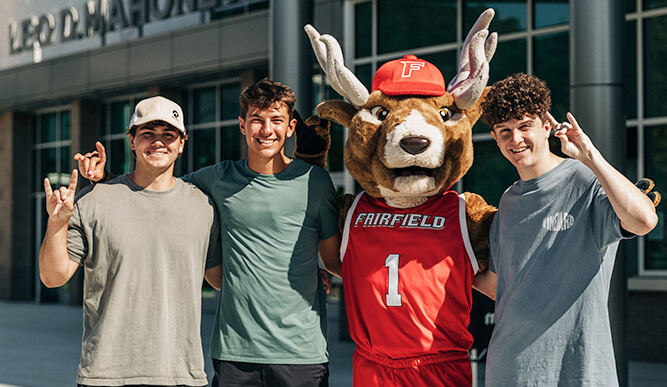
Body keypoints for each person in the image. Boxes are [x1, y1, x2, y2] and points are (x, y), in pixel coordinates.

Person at [80, 79, 342, 387]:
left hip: (303, 352)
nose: (266, 130)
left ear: (291, 126)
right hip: (235, 353)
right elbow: (159, 184)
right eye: (257, 119)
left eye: (276, 120)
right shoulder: (217, 179)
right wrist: (106, 178)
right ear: (242, 125)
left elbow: (333, 260)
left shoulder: (316, 182)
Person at [475, 73, 658, 386]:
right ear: (495, 138)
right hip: (509, 370)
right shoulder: (507, 201)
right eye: (504, 131)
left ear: (546, 127)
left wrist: (589, 156)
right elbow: (501, 285)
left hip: (579, 370)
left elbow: (644, 221)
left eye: (524, 126)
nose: (515, 139)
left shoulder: (585, 181)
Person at [39, 96, 222, 386]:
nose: (158, 142)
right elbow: (53, 276)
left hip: (182, 374)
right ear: (132, 141)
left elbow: (220, 278)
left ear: (182, 143)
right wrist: (57, 223)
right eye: (147, 133)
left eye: (168, 134)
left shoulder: (203, 206)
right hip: (106, 375)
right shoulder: (94, 200)